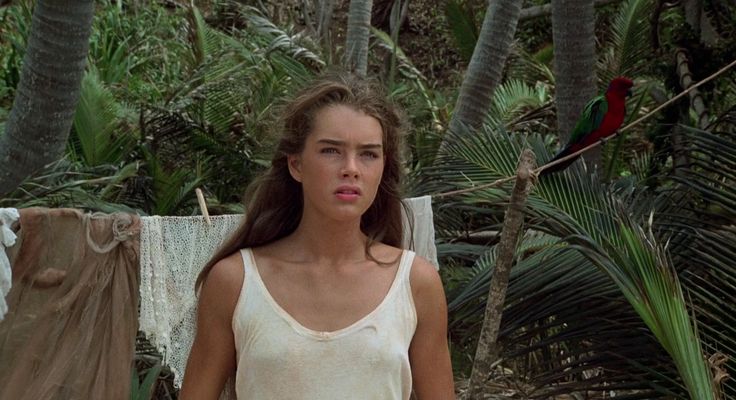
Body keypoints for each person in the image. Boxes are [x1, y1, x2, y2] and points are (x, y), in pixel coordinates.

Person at [180, 71, 455, 400]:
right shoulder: (235, 281)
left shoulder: (415, 283)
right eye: (330, 151)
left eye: (368, 154)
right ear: (296, 164)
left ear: (383, 167)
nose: (351, 168)